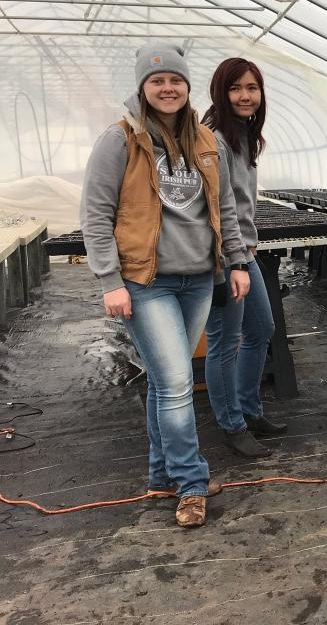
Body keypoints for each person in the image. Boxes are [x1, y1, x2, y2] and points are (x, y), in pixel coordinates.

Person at [81, 42, 250, 528]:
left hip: (198, 277)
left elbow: (226, 209)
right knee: (178, 382)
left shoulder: (206, 141)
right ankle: (192, 482)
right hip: (144, 281)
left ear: (187, 86)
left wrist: (236, 263)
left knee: (164, 380)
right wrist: (109, 280)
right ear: (142, 88)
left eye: (175, 80)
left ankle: (161, 476)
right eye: (157, 81)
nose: (168, 88)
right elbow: (95, 215)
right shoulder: (120, 140)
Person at [202, 58, 286, 458]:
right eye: (236, 88)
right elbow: (219, 209)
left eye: (252, 88)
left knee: (261, 329)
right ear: (221, 92)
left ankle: (249, 409)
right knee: (224, 341)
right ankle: (231, 424)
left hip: (244, 254)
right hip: (225, 259)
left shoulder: (244, 136)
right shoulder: (214, 138)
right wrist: (234, 261)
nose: (245, 96)